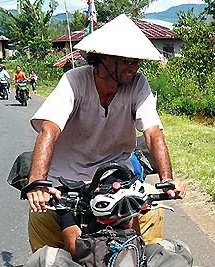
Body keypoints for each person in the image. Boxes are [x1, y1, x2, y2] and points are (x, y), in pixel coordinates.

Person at [24, 14, 186, 254]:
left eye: (137, 62)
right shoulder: (74, 81)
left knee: (133, 241)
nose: (134, 67)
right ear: (105, 58)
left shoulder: (139, 84)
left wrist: (167, 179)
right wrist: (37, 182)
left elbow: (153, 133)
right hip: (69, 180)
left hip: (115, 175)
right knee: (75, 245)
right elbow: (50, 128)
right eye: (128, 61)